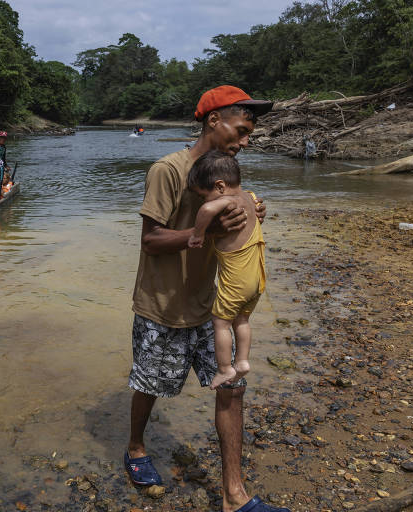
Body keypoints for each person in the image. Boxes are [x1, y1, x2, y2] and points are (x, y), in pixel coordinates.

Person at [125, 85, 286, 512]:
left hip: (214, 304)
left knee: (233, 386)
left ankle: (235, 495)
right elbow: (150, 239)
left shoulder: (227, 172)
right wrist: (207, 231)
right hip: (161, 303)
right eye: (241, 129)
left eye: (249, 133)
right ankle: (137, 448)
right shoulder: (169, 170)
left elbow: (234, 221)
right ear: (214, 120)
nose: (245, 140)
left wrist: (252, 211)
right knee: (149, 384)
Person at [187, 151, 266, 389]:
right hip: (257, 280)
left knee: (220, 323)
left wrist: (197, 234)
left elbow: (206, 212)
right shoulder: (250, 197)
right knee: (241, 320)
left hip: (237, 282)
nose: (204, 201)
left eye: (204, 195)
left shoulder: (226, 201)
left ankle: (224, 369)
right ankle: (242, 361)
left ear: (220, 186)